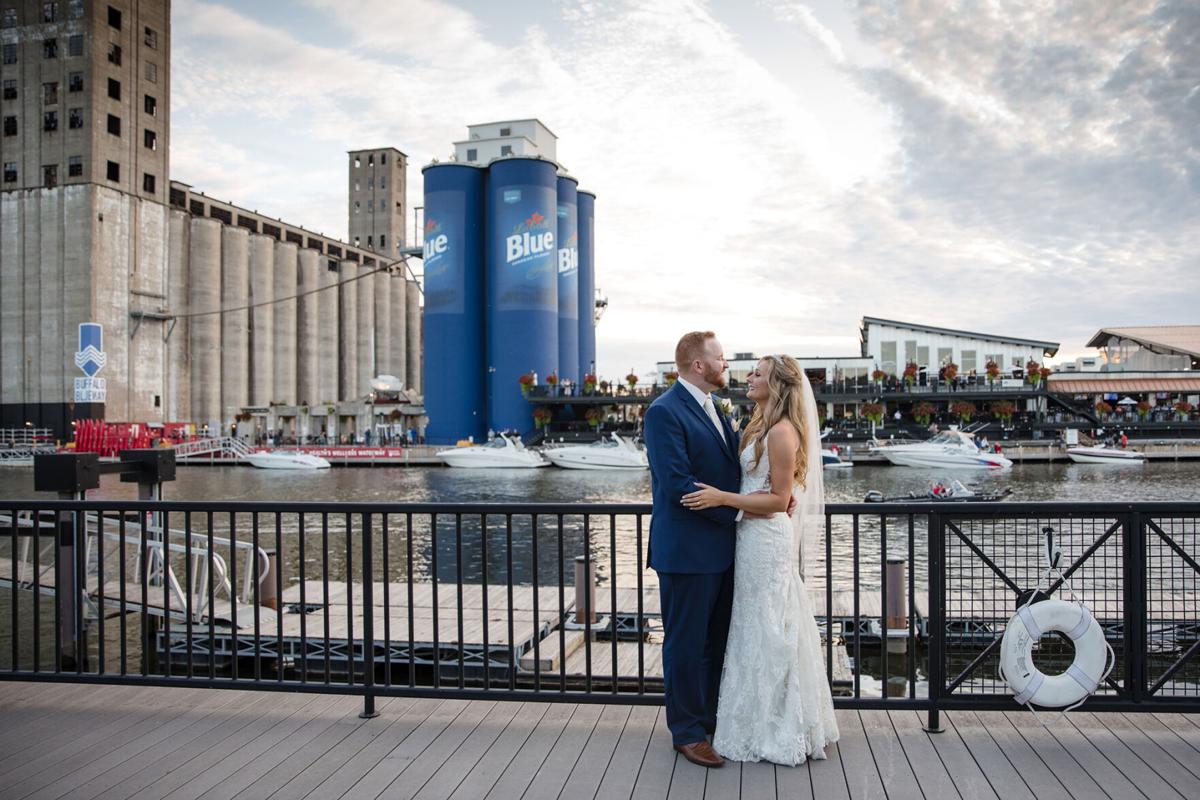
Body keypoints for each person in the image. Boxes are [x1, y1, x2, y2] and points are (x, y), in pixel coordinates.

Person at [681, 353, 839, 766]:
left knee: (769, 623)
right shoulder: (757, 424)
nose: (748, 377)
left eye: (759, 374)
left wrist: (720, 498)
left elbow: (780, 499)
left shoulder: (783, 432)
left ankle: (778, 723)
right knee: (750, 624)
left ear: (779, 385)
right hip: (747, 536)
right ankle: (749, 717)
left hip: (767, 540)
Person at [644, 332, 743, 768]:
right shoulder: (664, 412)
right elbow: (678, 483)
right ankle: (685, 732)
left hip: (721, 550)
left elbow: (727, 469)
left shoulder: (715, 407)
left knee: (714, 641)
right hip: (686, 551)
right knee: (684, 645)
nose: (727, 363)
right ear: (699, 365)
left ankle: (707, 718)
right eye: (721, 358)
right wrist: (740, 512)